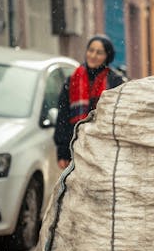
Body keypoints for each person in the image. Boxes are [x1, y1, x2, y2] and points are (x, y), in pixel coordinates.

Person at [54, 34, 126, 168]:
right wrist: (62, 151)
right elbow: (63, 115)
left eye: (99, 53)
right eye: (91, 50)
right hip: (76, 146)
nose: (93, 55)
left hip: (105, 148)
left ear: (107, 56)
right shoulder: (72, 80)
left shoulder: (115, 81)